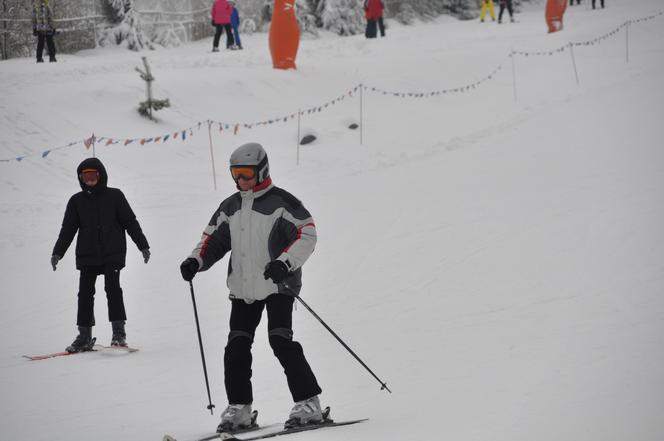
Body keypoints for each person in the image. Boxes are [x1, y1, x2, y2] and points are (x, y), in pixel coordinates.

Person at [180, 143, 323, 432]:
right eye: (236, 173)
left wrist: (284, 263)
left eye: (246, 173)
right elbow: (213, 240)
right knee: (236, 346)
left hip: (278, 284)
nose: (240, 180)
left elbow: (307, 233)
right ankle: (239, 409)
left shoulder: (282, 203)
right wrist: (196, 260)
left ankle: (309, 403)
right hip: (244, 289)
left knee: (280, 340)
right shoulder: (230, 206)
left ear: (262, 171)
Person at [52, 158, 150, 353]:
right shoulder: (76, 201)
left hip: (112, 252)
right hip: (88, 254)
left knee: (113, 289)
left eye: (93, 175)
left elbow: (130, 222)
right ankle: (84, 336)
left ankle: (118, 333)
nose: (89, 179)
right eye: (85, 176)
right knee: (85, 293)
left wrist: (143, 245)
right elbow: (68, 230)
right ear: (81, 178)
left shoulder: (115, 196)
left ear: (100, 175)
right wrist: (58, 252)